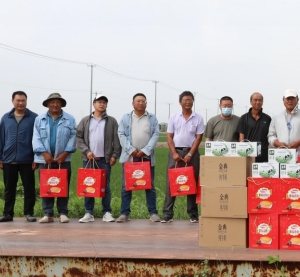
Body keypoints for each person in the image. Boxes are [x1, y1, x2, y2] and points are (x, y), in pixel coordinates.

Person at [75, 96, 121, 223]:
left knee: (105, 186)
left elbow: (117, 140)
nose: (102, 104)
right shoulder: (85, 120)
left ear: (106, 105)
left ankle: (107, 212)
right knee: (88, 184)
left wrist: (114, 155)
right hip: (89, 159)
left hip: (105, 159)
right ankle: (89, 212)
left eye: (104, 102)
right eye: (99, 102)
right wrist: (87, 151)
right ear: (93, 104)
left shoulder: (111, 121)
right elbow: (79, 137)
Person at [32, 92, 76, 223]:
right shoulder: (39, 119)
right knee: (47, 186)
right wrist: (44, 153)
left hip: (63, 159)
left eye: (58, 102)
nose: (55, 104)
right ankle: (48, 214)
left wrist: (65, 153)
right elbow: (36, 138)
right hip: (44, 159)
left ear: (61, 104)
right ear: (48, 104)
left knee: (63, 185)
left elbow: (73, 137)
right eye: (52, 102)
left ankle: (63, 213)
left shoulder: (70, 119)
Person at [0, 91, 38, 223]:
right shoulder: (6, 118)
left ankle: (29, 213)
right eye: (18, 100)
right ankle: (7, 214)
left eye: (23, 100)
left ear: (26, 101)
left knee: (29, 188)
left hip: (27, 159)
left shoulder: (34, 118)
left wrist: (36, 158)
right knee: (9, 189)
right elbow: (0, 139)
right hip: (8, 159)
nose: (20, 103)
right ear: (12, 101)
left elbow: (38, 139)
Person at [117, 93, 161, 223]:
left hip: (146, 157)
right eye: (138, 101)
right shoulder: (126, 118)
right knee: (126, 186)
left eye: (143, 101)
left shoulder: (152, 118)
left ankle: (153, 213)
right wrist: (131, 150)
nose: (141, 103)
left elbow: (155, 134)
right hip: (130, 157)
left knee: (149, 186)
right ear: (133, 103)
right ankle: (124, 213)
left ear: (146, 103)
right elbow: (121, 134)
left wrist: (146, 150)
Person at [162, 91, 204, 223]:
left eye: (190, 100)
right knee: (171, 182)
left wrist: (190, 153)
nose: (188, 102)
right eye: (185, 100)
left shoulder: (198, 118)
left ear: (193, 102)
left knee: (192, 182)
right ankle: (167, 214)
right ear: (180, 102)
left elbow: (199, 137)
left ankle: (193, 215)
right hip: (176, 153)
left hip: (192, 153)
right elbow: (169, 136)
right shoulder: (174, 117)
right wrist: (174, 153)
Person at [267, 89, 300, 162]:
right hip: (281, 157)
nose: (290, 101)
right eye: (288, 98)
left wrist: (298, 143)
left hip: (299, 157)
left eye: (292, 98)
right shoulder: (276, 117)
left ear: (297, 99)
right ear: (283, 100)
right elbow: (271, 136)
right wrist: (279, 144)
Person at [237, 92, 272, 162]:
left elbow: (269, 135)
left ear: (262, 102)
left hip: (263, 154)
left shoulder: (267, 118)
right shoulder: (244, 118)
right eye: (255, 100)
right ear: (250, 102)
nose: (257, 102)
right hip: (248, 153)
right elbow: (241, 137)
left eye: (260, 100)